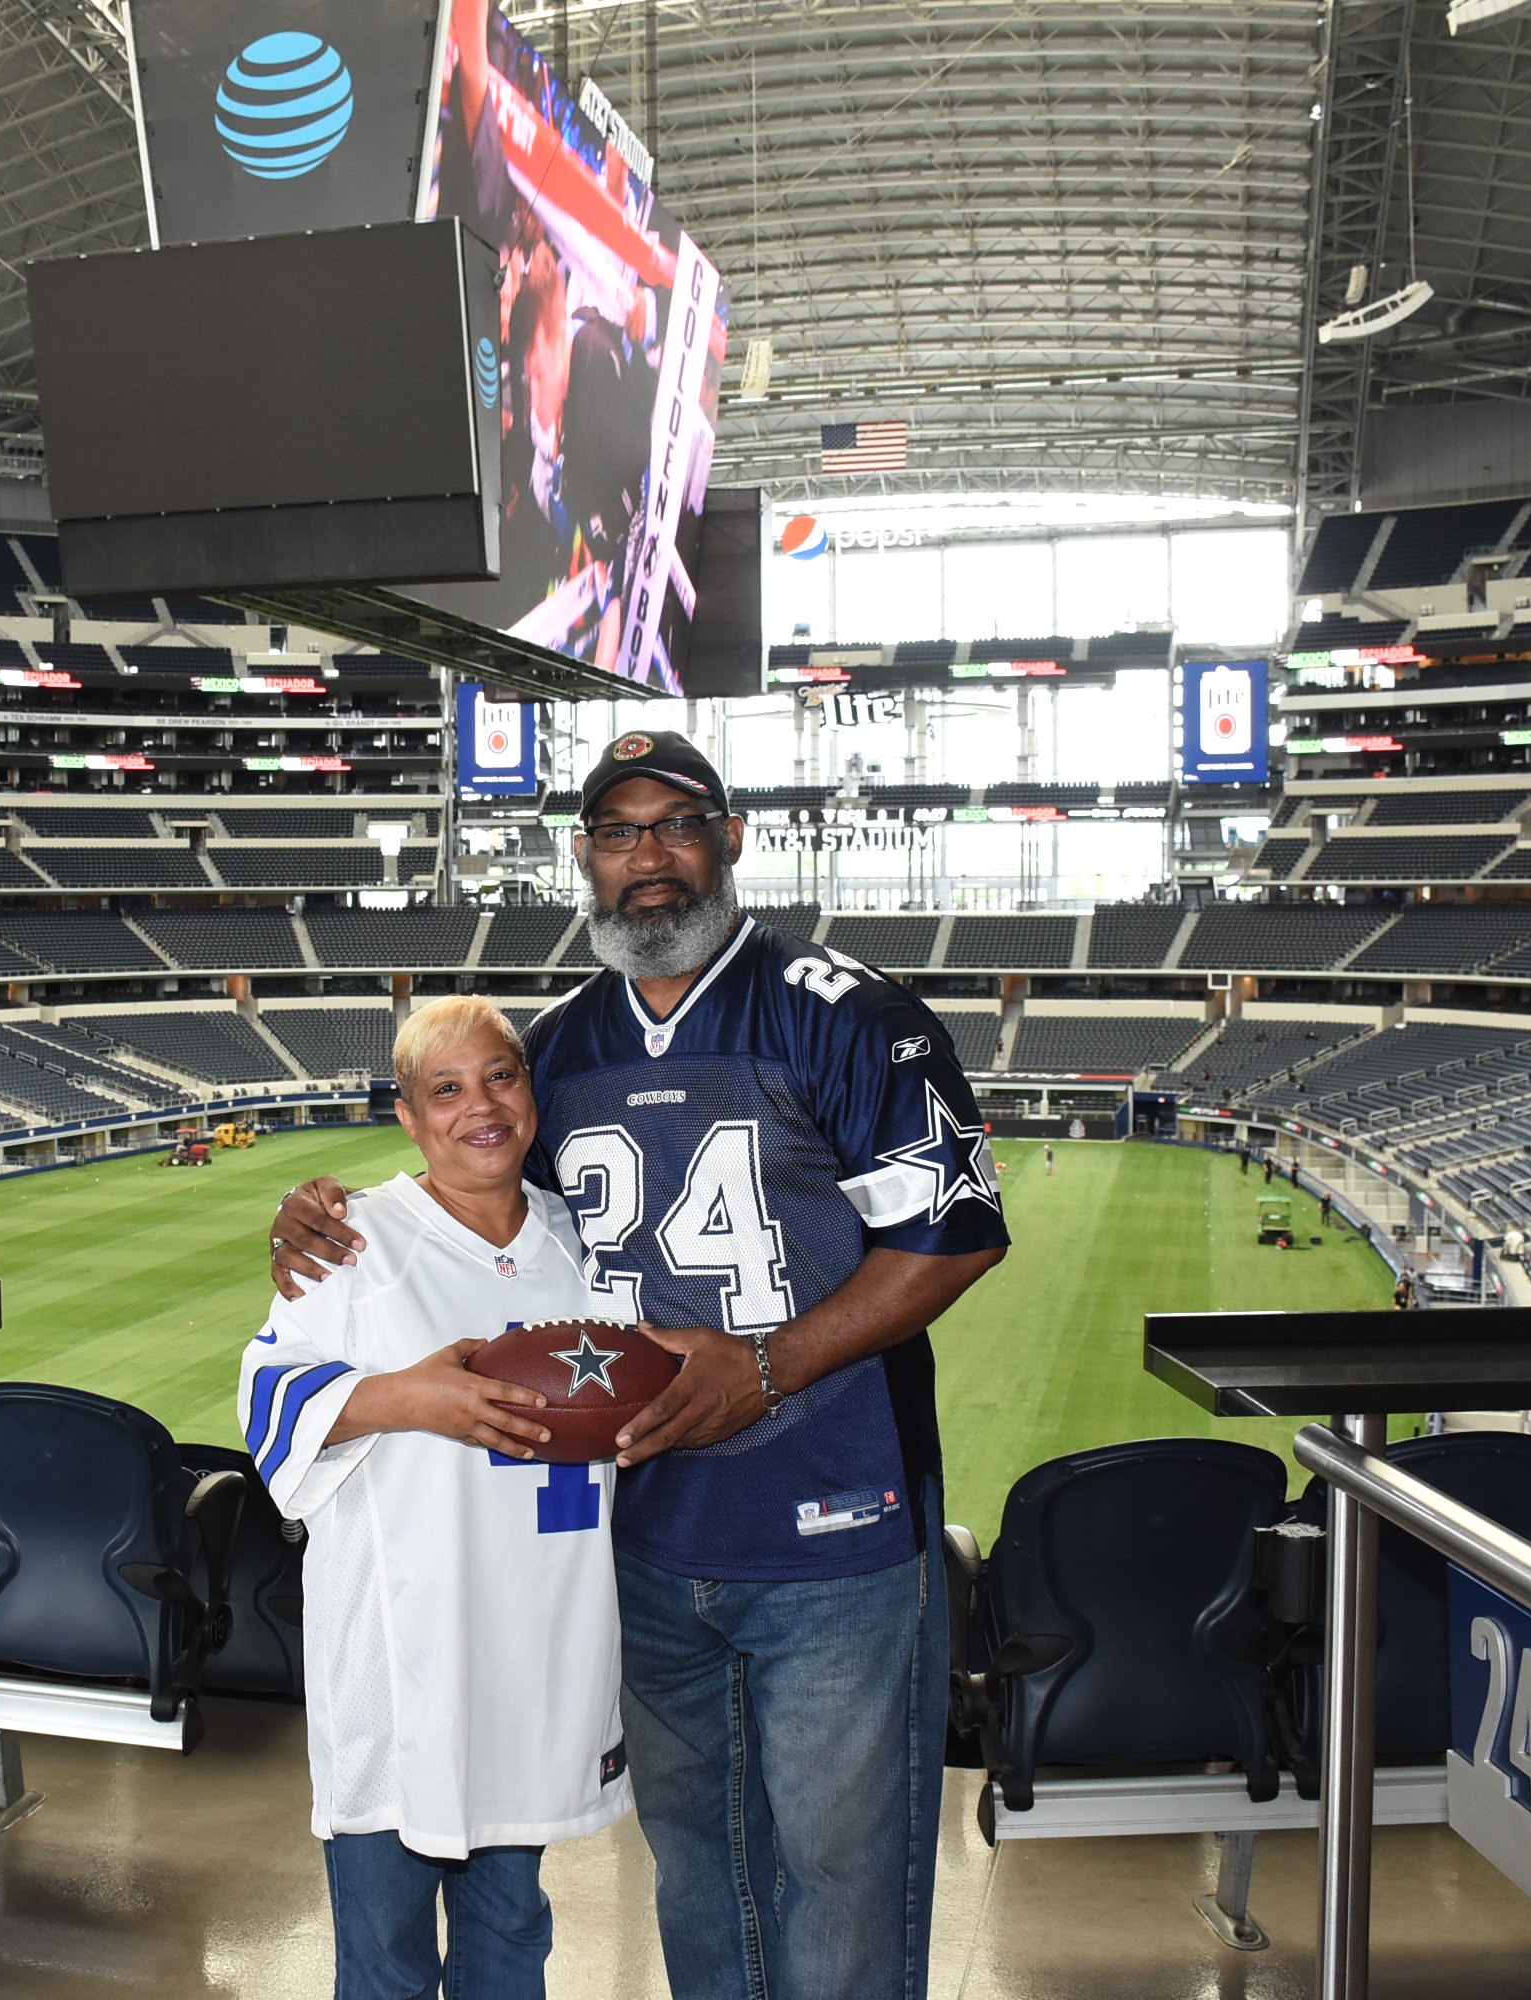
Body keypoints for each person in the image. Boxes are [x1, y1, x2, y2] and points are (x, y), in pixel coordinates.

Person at [272, 730, 1010, 2000]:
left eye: (677, 822)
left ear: (732, 837)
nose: (648, 854)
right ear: (584, 857)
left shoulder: (849, 1012)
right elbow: (481, 1205)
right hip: (643, 1540)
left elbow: (955, 1237)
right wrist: (320, 1216)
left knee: (841, 1877)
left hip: (835, 1527)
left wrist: (766, 1365)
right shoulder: (555, 1048)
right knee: (698, 1869)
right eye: (618, 830)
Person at [243, 996, 628, 2000]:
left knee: (512, 1932)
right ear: (408, 1118)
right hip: (397, 1670)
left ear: (531, 1092)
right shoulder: (350, 1243)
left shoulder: (588, 1244)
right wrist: (411, 1397)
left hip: (533, 1665)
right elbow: (267, 1402)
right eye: (446, 1089)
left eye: (500, 1075)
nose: (480, 1106)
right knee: (385, 1955)